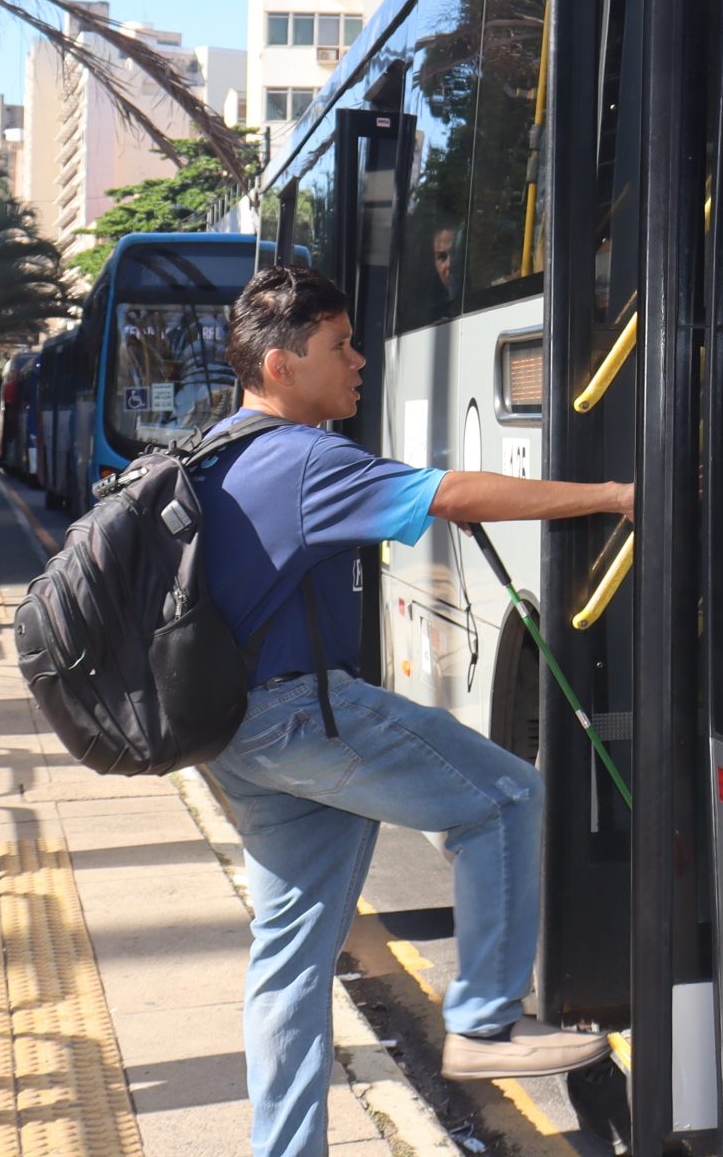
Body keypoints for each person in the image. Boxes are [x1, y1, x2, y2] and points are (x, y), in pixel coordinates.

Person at [197, 266, 633, 1157]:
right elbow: (454, 495)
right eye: (340, 345)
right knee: (506, 798)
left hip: (237, 733)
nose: (361, 359)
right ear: (281, 365)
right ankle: (483, 1021)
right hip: (301, 717)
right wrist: (617, 498)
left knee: (287, 961)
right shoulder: (306, 458)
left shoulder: (217, 449)